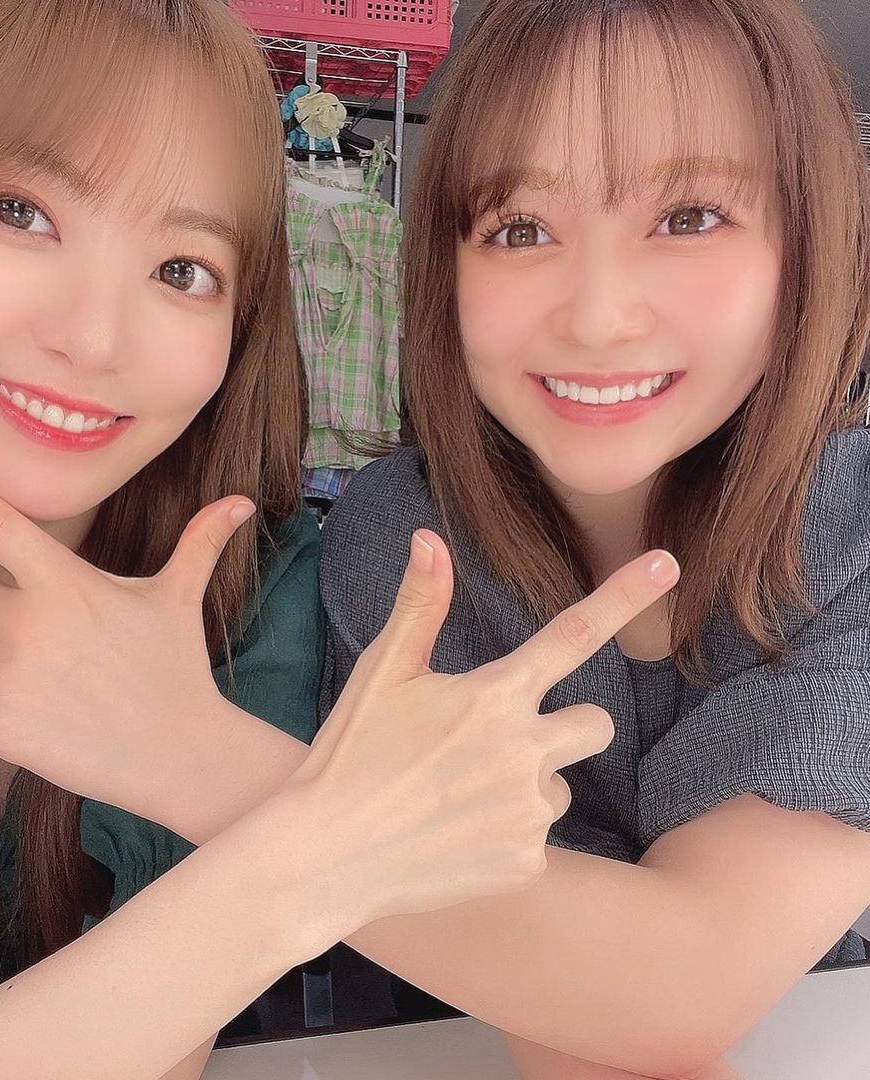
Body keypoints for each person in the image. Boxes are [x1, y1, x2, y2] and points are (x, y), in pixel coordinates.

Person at [0, 0, 640, 1076]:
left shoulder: (251, 585)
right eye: (19, 211)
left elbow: (161, 1055)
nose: (94, 338)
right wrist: (334, 847)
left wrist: (188, 753)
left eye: (182, 270)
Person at [315, 0, 870, 1076]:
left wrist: (180, 753)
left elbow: (668, 992)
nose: (598, 316)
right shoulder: (405, 540)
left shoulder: (853, 525)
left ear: (805, 248)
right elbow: (590, 1010)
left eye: (690, 217)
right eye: (521, 229)